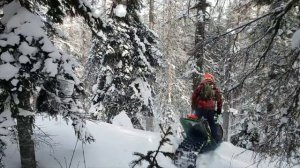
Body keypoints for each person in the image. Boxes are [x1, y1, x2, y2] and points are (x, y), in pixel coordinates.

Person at [191, 73, 223, 143]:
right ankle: (215, 140)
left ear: (205, 78)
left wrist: (193, 105)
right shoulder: (214, 88)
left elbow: (194, 95)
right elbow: (220, 99)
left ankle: (192, 136)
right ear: (212, 79)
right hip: (210, 110)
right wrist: (219, 109)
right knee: (212, 124)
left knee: (196, 122)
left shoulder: (201, 86)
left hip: (200, 108)